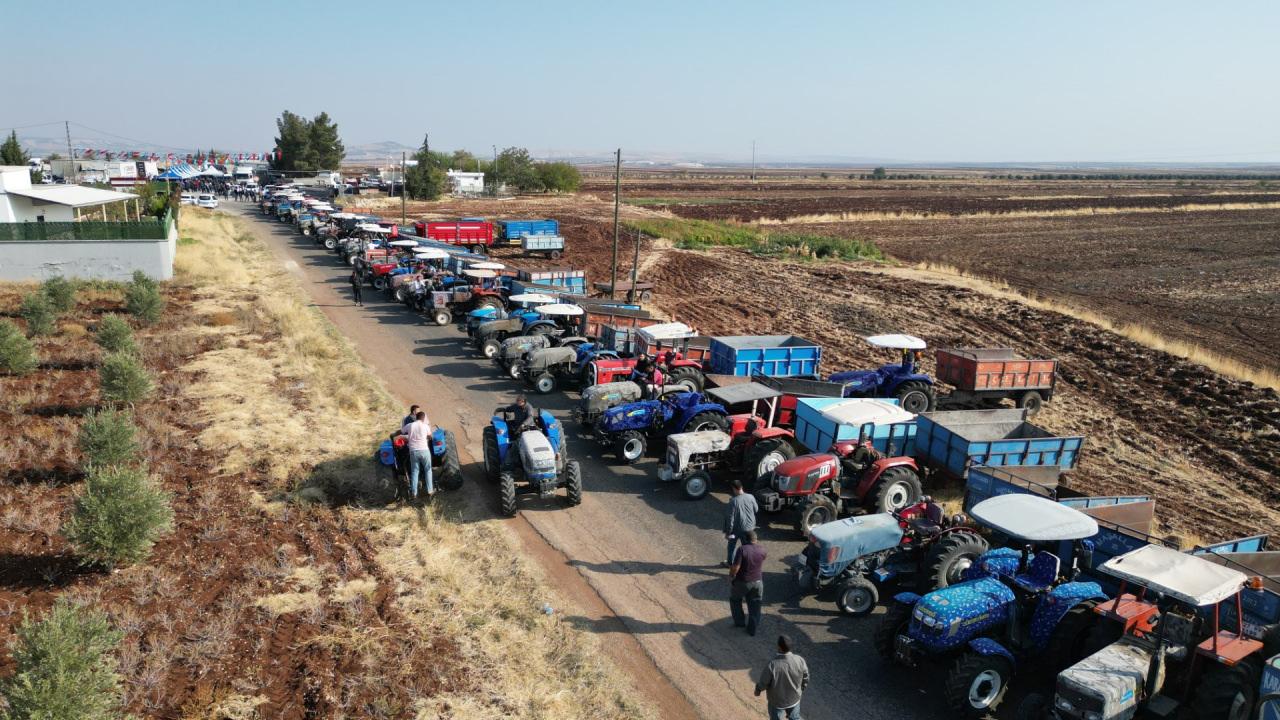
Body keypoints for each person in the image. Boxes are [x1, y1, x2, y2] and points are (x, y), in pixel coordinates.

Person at [754, 635, 809, 720]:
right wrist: (802, 688)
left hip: (777, 702)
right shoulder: (800, 660)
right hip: (794, 698)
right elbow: (805, 677)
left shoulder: (772, 665)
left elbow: (764, 683)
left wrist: (758, 690)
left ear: (779, 647)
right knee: (795, 717)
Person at [390, 410, 433, 502]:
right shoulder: (426, 426)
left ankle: (414, 493)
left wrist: (394, 435)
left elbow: (400, 431)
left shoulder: (410, 425)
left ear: (416, 418)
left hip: (413, 452)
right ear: (423, 418)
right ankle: (430, 491)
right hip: (424, 451)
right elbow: (430, 437)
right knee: (428, 470)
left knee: (414, 472)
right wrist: (426, 437)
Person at [729, 529, 766, 635]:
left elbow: (736, 567)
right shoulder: (763, 550)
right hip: (758, 582)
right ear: (756, 539)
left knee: (735, 600)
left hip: (743, 581)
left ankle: (740, 622)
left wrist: (731, 576)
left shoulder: (742, 550)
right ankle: (752, 629)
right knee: (755, 605)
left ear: (745, 539)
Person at [724, 478, 759, 567]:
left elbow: (730, 519)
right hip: (750, 528)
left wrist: (728, 532)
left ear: (734, 489)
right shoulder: (751, 496)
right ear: (741, 487)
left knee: (731, 546)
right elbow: (756, 509)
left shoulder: (733, 501)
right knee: (747, 547)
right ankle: (746, 563)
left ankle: (730, 563)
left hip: (737, 529)